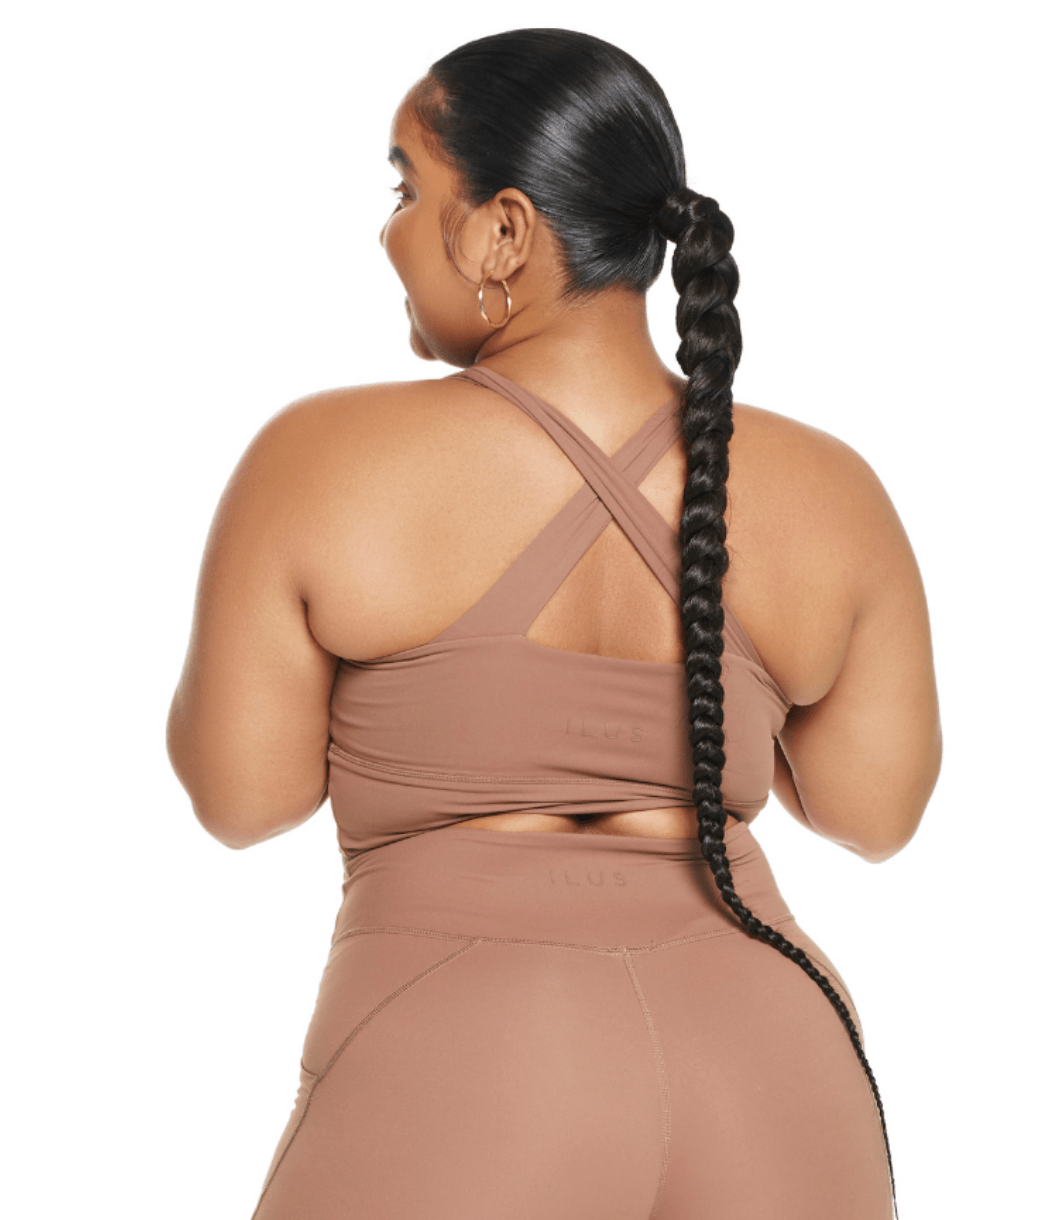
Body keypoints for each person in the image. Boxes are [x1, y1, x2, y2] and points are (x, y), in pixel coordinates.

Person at [166, 27, 941, 1220]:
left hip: (466, 1057)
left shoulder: (320, 459)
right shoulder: (831, 487)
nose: (388, 233)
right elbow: (873, 811)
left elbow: (243, 797)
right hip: (770, 1059)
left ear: (504, 232)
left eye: (406, 191)